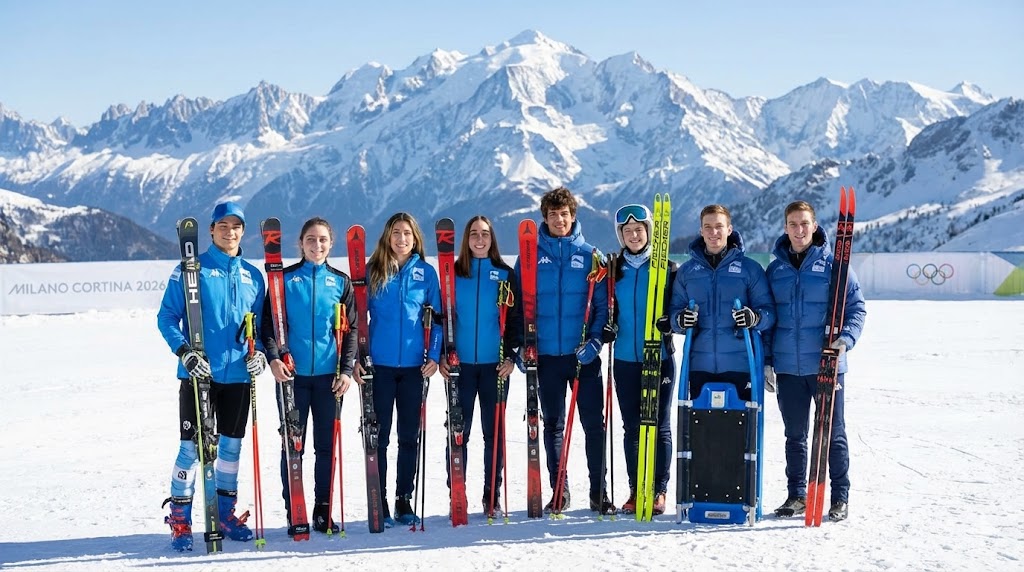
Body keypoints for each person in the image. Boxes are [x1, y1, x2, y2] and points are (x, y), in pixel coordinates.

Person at [157, 201, 268, 552]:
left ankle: (223, 513)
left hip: (237, 373)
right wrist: (185, 352)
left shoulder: (254, 276)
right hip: (197, 374)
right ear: (212, 229)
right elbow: (166, 317)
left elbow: (260, 328)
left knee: (231, 449)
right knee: (192, 449)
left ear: (242, 231)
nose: (230, 231)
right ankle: (180, 519)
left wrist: (260, 354)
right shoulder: (191, 269)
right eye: (224, 225)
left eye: (236, 226)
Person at [765, 200, 866, 522]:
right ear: (785, 227)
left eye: (804, 223)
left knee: (832, 433)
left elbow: (857, 308)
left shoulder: (835, 265)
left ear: (814, 225)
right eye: (793, 224)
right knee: (795, 435)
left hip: (826, 365)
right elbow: (769, 320)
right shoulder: (775, 270)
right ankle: (797, 495)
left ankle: (839, 497)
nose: (799, 230)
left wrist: (846, 340)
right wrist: (768, 361)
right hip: (788, 368)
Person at [516, 187, 614, 514]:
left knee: (592, 424)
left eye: (565, 214)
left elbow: (602, 306)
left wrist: (596, 341)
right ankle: (560, 490)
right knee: (553, 425)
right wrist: (520, 345)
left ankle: (599, 491)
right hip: (546, 358)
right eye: (553, 214)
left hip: (582, 356)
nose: (559, 219)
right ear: (544, 218)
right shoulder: (529, 255)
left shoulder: (590, 255)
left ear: (573, 216)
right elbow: (518, 306)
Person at [260, 217, 358, 534]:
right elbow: (269, 326)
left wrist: (345, 370)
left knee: (326, 447)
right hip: (292, 377)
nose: (317, 245)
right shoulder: (284, 280)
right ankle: (296, 510)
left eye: (323, 240)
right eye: (311, 240)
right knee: (293, 445)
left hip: (330, 378)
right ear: (300, 243)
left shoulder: (340, 282)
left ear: (331, 244)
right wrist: (274, 359)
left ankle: (323, 511)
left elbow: (352, 330)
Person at [438, 216, 522, 518]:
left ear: (492, 238)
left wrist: (512, 357)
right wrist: (441, 355)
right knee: (459, 432)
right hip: (460, 368)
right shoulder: (452, 274)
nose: (479, 239)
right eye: (473, 233)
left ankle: (491, 495)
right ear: (466, 239)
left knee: (493, 434)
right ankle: (456, 493)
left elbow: (515, 322)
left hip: (494, 367)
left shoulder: (505, 274)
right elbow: (441, 319)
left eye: (484, 234)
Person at [363, 212, 442, 527]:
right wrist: (360, 358)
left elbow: (437, 319)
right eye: (396, 232)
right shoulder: (373, 273)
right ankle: (378, 498)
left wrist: (434, 355)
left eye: (407, 233)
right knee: (378, 437)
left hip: (413, 368)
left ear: (415, 238)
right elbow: (359, 323)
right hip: (380, 367)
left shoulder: (426, 273)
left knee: (409, 436)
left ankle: (403, 499)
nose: (401, 238)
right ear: (387, 236)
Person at [608, 204, 677, 516]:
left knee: (659, 424)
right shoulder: (613, 270)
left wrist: (671, 322)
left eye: (639, 229)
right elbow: (604, 307)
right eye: (627, 231)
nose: (634, 235)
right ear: (620, 235)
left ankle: (659, 489)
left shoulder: (668, 268)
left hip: (659, 356)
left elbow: (680, 309)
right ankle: (637, 489)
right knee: (632, 427)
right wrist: (606, 327)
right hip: (624, 357)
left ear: (649, 232)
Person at [668, 204, 774, 402]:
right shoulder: (687, 272)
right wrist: (680, 319)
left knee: (739, 428)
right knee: (702, 430)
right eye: (707, 227)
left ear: (729, 230)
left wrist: (754, 317)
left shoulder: (749, 269)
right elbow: (674, 313)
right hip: (699, 364)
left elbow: (769, 313)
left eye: (719, 226)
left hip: (741, 364)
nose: (713, 232)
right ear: (701, 231)